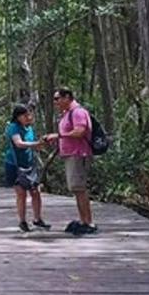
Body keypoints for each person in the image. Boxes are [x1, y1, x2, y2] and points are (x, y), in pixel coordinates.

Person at [45, 87, 96, 236]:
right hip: (70, 155)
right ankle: (83, 221)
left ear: (67, 97)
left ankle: (89, 222)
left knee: (80, 188)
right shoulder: (67, 114)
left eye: (57, 99)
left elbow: (80, 131)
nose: (56, 102)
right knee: (76, 189)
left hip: (79, 154)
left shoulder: (78, 112)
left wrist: (58, 136)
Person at [3, 104, 50, 233]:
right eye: (25, 115)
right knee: (21, 193)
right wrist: (35, 144)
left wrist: (41, 145)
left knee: (36, 191)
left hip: (29, 164)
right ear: (18, 117)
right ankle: (22, 221)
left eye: (30, 114)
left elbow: (32, 145)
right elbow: (18, 143)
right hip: (14, 164)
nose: (29, 117)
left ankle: (37, 219)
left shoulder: (29, 128)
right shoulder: (13, 127)